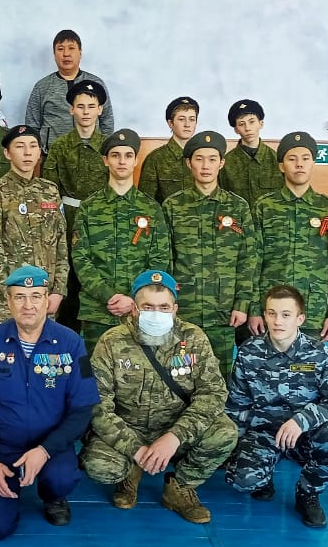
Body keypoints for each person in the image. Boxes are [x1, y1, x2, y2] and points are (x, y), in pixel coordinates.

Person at [84, 270, 236, 524]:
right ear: (134, 309)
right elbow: (97, 405)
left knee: (225, 433)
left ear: (175, 309)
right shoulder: (111, 342)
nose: (156, 313)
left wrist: (175, 436)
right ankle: (130, 472)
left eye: (164, 307)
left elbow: (213, 393)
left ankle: (180, 486)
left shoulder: (193, 338)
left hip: (176, 428)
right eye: (148, 307)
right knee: (100, 466)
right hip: (129, 428)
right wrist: (134, 448)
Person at [0, 265, 99, 540]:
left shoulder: (72, 343)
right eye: (19, 297)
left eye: (36, 296)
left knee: (61, 478)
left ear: (47, 300)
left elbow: (83, 408)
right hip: (4, 446)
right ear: (8, 301)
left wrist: (44, 450)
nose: (28, 305)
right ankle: (8, 491)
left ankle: (53, 497)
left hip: (51, 444)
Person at [226, 285, 328, 529]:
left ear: (299, 319)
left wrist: (302, 420)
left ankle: (307, 494)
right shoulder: (249, 352)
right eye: (272, 313)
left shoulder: (318, 352)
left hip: (304, 434)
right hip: (264, 433)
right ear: (264, 315)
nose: (278, 321)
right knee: (242, 481)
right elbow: (236, 406)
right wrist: (234, 450)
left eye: (286, 314)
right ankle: (264, 478)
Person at [163, 130, 257, 378]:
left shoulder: (238, 207)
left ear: (221, 163)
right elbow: (165, 259)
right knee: (181, 374)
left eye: (212, 159)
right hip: (185, 309)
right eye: (199, 159)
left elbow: (248, 259)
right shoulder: (173, 206)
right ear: (189, 163)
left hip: (223, 311)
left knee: (220, 375)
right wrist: (167, 304)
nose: (206, 166)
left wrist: (242, 304)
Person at [72, 130, 172, 353]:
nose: (122, 161)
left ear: (136, 160)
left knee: (142, 371)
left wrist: (135, 298)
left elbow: (159, 259)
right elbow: (80, 258)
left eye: (128, 155)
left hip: (142, 311)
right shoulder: (89, 207)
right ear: (105, 160)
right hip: (98, 311)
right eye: (115, 155)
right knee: (97, 370)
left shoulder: (151, 208)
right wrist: (109, 296)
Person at [250, 131, 328, 342]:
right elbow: (253, 261)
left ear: (313, 163)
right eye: (292, 159)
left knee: (310, 363)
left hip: (313, 310)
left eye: (305, 158)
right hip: (272, 311)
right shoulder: (265, 206)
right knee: (269, 363)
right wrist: (254, 309)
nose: (299, 164)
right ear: (281, 166)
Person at [0, 125, 69, 326]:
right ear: (7, 153)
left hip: (45, 297)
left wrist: (59, 290)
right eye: (20, 146)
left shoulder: (50, 191)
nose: (27, 152)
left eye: (33, 146)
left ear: (39, 153)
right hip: (9, 300)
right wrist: (12, 288)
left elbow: (61, 244)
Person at [41, 80, 111, 331]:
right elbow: (49, 190)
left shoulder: (109, 146)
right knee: (68, 280)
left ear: (100, 110)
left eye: (91, 106)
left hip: (101, 222)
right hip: (68, 219)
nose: (85, 112)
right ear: (71, 110)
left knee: (98, 275)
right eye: (80, 106)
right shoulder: (60, 146)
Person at [25, 29, 115, 150]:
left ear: (80, 53)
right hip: (52, 155)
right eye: (60, 49)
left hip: (92, 154)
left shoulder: (96, 83)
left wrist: (103, 150)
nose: (66, 54)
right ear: (54, 54)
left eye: (71, 48)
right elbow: (32, 125)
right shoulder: (42, 86)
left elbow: (107, 121)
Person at [220, 99, 283, 205]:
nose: (247, 128)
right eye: (241, 124)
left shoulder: (277, 161)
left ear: (261, 124)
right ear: (236, 129)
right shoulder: (225, 164)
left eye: (252, 122)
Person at [137, 96, 198, 203]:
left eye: (192, 119)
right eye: (181, 119)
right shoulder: (155, 159)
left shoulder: (203, 157)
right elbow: (145, 202)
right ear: (170, 123)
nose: (187, 125)